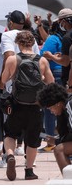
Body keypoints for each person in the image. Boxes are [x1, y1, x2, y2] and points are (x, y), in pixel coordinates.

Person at [0, 31, 54, 181]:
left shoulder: (12, 59)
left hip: (17, 105)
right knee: (33, 140)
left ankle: (10, 155)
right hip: (36, 106)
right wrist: (41, 78)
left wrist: (12, 76)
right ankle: (29, 171)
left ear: (18, 43)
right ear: (32, 43)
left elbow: (3, 81)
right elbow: (51, 82)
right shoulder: (42, 61)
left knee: (10, 134)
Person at [37, 83, 72, 179]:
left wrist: (57, 141)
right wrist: (55, 139)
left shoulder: (69, 105)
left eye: (50, 108)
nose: (51, 112)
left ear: (58, 103)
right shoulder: (64, 108)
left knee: (59, 149)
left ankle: (69, 181)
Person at [39, 20, 65, 152]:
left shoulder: (53, 38)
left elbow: (42, 54)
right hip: (65, 75)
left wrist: (50, 57)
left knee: (50, 109)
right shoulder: (65, 39)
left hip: (54, 74)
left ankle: (50, 142)